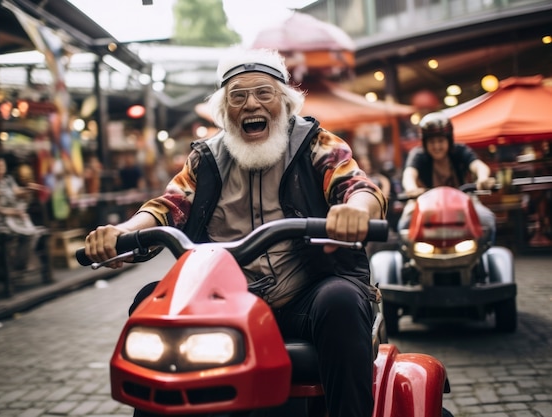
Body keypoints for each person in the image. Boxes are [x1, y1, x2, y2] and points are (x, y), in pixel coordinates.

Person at [84, 48, 387, 417]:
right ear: (225, 110)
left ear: (285, 103)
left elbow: (357, 187)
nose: (250, 104)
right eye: (237, 96)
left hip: (304, 295)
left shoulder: (317, 143)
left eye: (263, 93)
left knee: (340, 300)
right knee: (151, 303)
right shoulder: (205, 159)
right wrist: (122, 232)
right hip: (226, 302)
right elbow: (168, 206)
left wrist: (354, 212)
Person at [397, 112, 496, 242]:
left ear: (449, 140)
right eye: (432, 142)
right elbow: (409, 174)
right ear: (425, 143)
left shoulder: (460, 150)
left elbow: (478, 166)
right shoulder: (418, 155)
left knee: (487, 220)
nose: (437, 146)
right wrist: (411, 189)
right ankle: (409, 260)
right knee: (404, 226)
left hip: (463, 202)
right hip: (425, 204)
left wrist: (483, 178)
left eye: (441, 141)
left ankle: (481, 257)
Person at [0, 149, 47, 270]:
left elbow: (17, 193)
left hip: (14, 218)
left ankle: (19, 264)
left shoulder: (8, 180)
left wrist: (28, 189)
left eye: (1, 166)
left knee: (34, 233)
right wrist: (13, 211)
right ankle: (17, 265)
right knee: (27, 234)